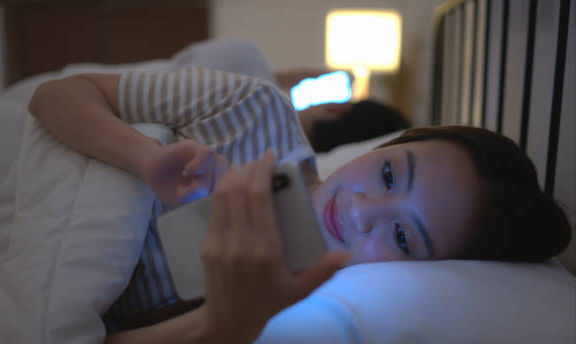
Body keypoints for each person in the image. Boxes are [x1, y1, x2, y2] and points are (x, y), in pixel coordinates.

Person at [28, 67, 571, 343]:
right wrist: (146, 159)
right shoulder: (252, 110)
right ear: (385, 147)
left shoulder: (297, 313)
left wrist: (223, 323)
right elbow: (55, 96)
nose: (361, 210)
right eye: (387, 173)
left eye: (403, 237)